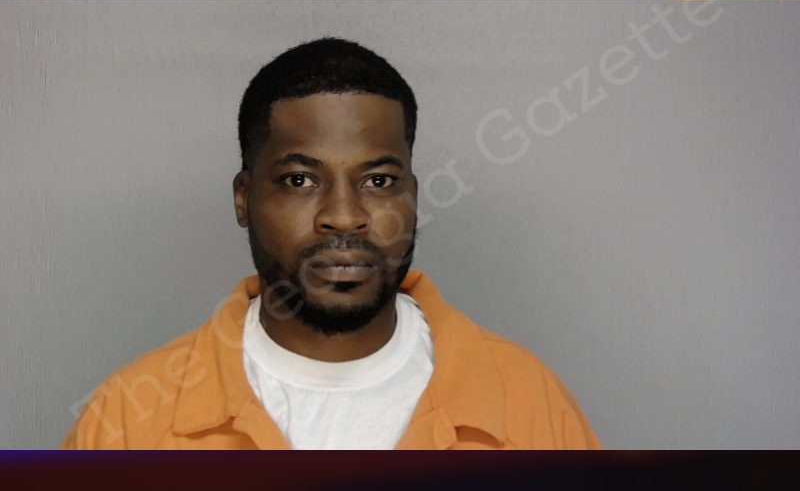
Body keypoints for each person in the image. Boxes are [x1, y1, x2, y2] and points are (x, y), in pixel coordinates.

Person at [60, 37, 601, 450]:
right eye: (299, 180)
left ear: (412, 196)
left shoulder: (530, 404)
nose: (344, 216)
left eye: (379, 181)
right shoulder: (127, 421)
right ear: (244, 198)